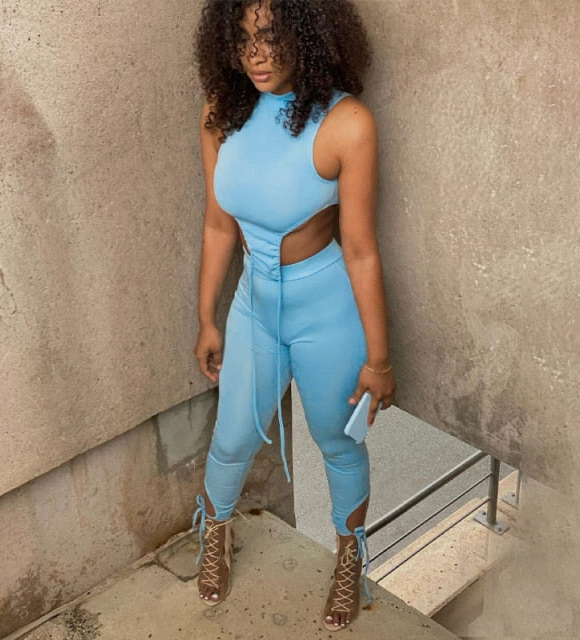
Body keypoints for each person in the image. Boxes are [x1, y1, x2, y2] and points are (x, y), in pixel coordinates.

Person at [191, 0, 396, 631]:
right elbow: (218, 224)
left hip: (325, 307)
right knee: (231, 438)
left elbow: (360, 249)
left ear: (311, 35)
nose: (255, 55)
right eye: (242, 39)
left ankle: (349, 557)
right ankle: (216, 532)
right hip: (254, 304)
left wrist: (379, 359)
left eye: (272, 37)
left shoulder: (347, 123)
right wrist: (207, 318)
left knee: (337, 440)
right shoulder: (221, 113)